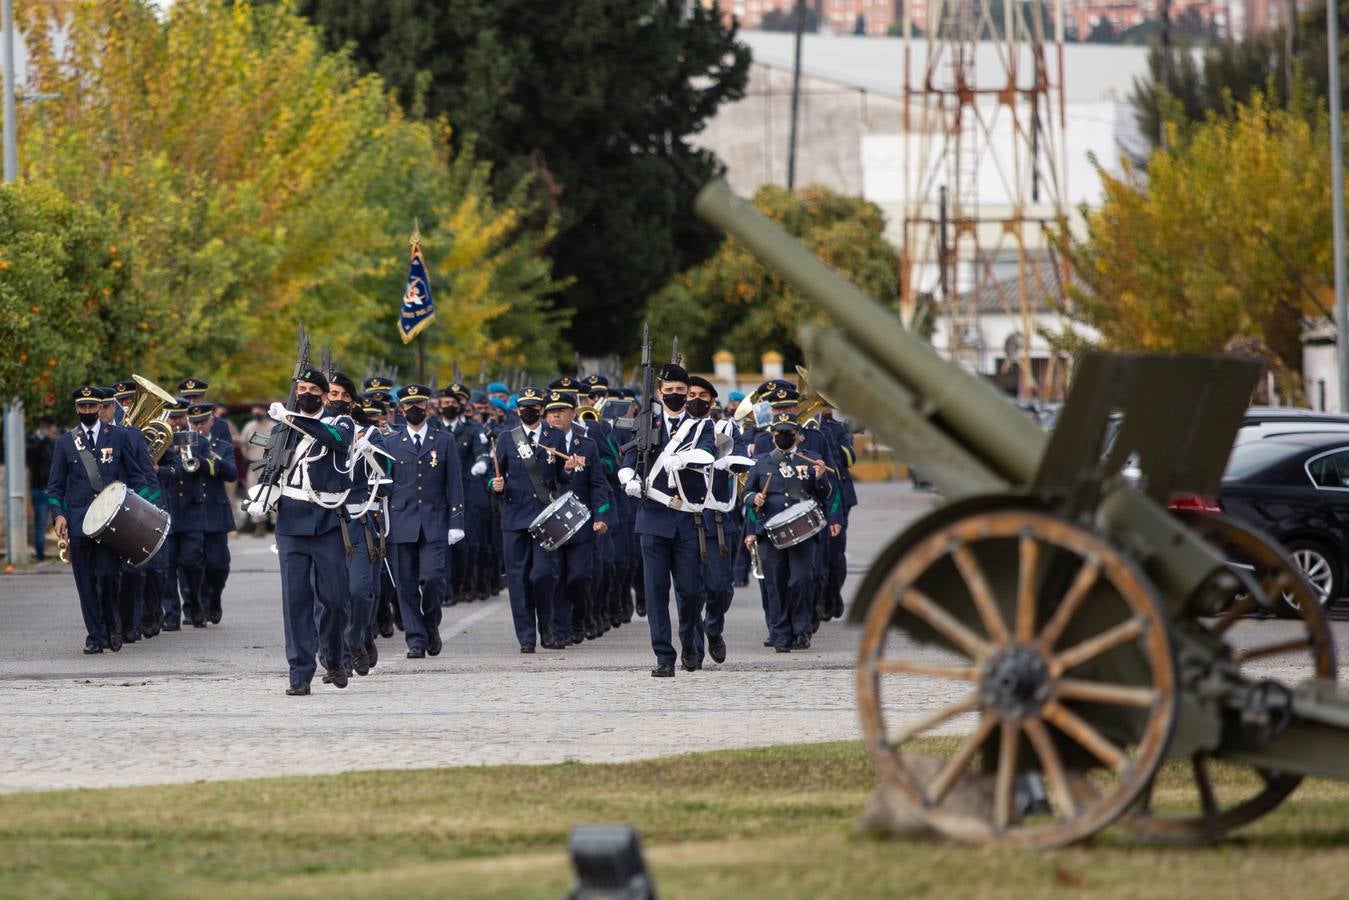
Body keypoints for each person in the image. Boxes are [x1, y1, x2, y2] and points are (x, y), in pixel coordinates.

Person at [245, 368, 355, 695]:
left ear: (323, 395)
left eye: (311, 389)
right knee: (295, 602)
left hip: (327, 522)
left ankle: (333, 656)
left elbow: (335, 441)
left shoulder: (340, 422)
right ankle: (299, 673)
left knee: (334, 600)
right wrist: (262, 497)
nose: (304, 393)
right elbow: (273, 466)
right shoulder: (283, 428)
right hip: (292, 523)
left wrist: (292, 418)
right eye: (300, 387)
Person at [618, 364, 716, 677]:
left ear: (689, 395)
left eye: (681, 391)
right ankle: (664, 656)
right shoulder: (645, 422)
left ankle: (690, 640)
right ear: (660, 393)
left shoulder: (701, 426)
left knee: (690, 592)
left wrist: (683, 458)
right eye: (669, 391)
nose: (675, 396)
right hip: (652, 518)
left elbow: (708, 454)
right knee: (656, 591)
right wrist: (628, 480)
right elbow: (627, 461)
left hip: (687, 518)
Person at [46, 385, 154, 653]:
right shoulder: (64, 443)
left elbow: (137, 476)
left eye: (92, 406)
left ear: (100, 407)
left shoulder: (118, 437)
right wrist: (59, 516)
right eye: (82, 407)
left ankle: (111, 625)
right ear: (76, 409)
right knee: (85, 583)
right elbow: (55, 487)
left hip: (112, 523)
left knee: (108, 577)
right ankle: (95, 636)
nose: (87, 411)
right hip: (80, 522)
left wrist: (144, 509)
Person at [384, 384, 466, 659]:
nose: (415, 409)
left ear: (429, 408)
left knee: (432, 578)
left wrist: (457, 521)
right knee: (405, 585)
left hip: (434, 521)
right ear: (401, 410)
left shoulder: (443, 440)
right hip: (401, 521)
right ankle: (415, 639)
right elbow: (385, 484)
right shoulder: (391, 443)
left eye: (420, 404)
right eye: (409, 406)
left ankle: (431, 624)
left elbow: (454, 482)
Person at [744, 414, 835, 652]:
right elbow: (746, 495)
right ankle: (781, 634)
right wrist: (755, 499)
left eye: (789, 432)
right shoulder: (762, 462)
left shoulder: (812, 459)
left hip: (803, 531)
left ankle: (801, 629)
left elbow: (826, 495)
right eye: (779, 433)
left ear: (797, 435)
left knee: (801, 580)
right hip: (770, 531)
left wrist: (821, 478)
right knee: (776, 583)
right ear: (772, 436)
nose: (783, 436)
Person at [491, 386, 564, 652]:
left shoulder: (554, 436)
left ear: (541, 409)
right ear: (517, 410)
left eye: (533, 406)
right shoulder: (508, 438)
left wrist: (570, 467)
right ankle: (526, 637)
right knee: (518, 578)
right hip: (515, 516)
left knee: (543, 575)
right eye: (523, 407)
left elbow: (563, 479)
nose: (528, 411)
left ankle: (547, 628)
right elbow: (496, 473)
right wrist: (495, 484)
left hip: (545, 515)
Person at [688, 376, 753, 667]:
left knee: (720, 586)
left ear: (713, 401)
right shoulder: (673, 430)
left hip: (716, 517)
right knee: (688, 590)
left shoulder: (725, 428)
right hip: (684, 517)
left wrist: (732, 462)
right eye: (691, 394)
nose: (695, 399)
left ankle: (713, 627)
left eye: (703, 395)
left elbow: (739, 455)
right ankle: (691, 649)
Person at [544, 389, 611, 646]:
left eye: (561, 410)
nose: (556, 415)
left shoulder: (586, 444)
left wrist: (601, 515)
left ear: (573, 413)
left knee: (580, 576)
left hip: (581, 521)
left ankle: (580, 615)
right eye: (551, 411)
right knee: (556, 577)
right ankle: (560, 630)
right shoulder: (542, 444)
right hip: (551, 520)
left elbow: (598, 484)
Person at [190, 402, 237, 624]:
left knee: (218, 564)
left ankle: (215, 596)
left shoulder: (222, 446)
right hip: (192, 512)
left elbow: (231, 474)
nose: (199, 427)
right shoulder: (184, 446)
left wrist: (211, 457)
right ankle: (198, 604)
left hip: (216, 512)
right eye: (194, 423)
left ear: (211, 422)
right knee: (194, 563)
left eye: (202, 422)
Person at [26, 416, 58, 562]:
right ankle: (40, 556)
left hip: (51, 489)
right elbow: (31, 453)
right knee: (40, 524)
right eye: (49, 426)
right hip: (39, 490)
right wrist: (45, 438)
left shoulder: (51, 443)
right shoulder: (34, 441)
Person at [238, 405, 272, 534]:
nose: (256, 412)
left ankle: (276, 523)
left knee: (272, 493)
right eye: (254, 410)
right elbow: (243, 445)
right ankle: (259, 525)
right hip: (254, 465)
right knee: (254, 494)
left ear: (265, 411)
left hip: (270, 465)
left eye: (259, 410)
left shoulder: (273, 426)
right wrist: (247, 457)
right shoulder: (249, 426)